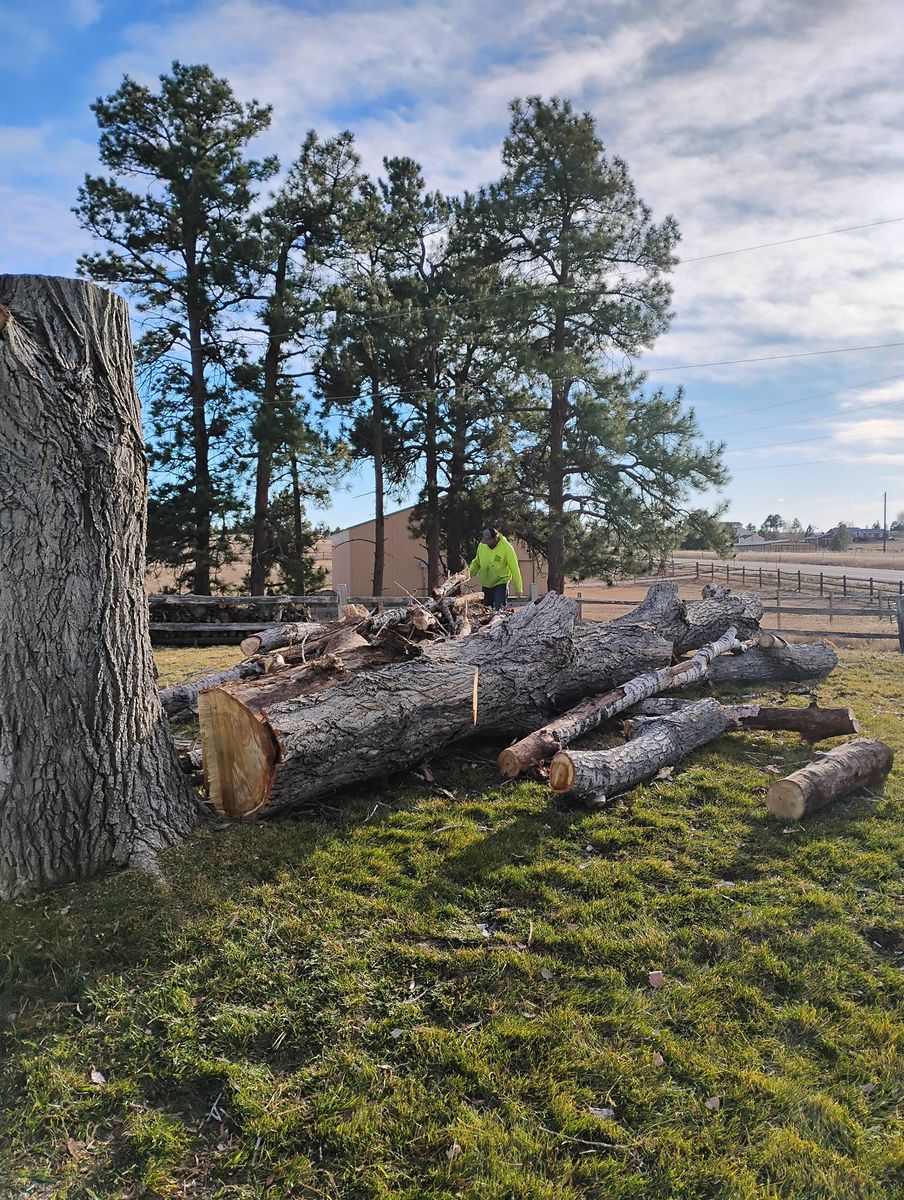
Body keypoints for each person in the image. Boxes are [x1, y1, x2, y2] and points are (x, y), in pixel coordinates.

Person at [469, 526, 523, 610]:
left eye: (489, 541)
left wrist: (518, 587)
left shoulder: (507, 548)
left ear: (495, 538)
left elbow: (514, 568)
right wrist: (468, 574)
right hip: (486, 584)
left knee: (499, 609)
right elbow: (477, 562)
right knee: (485, 610)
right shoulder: (482, 546)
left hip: (500, 583)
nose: (486, 543)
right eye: (485, 541)